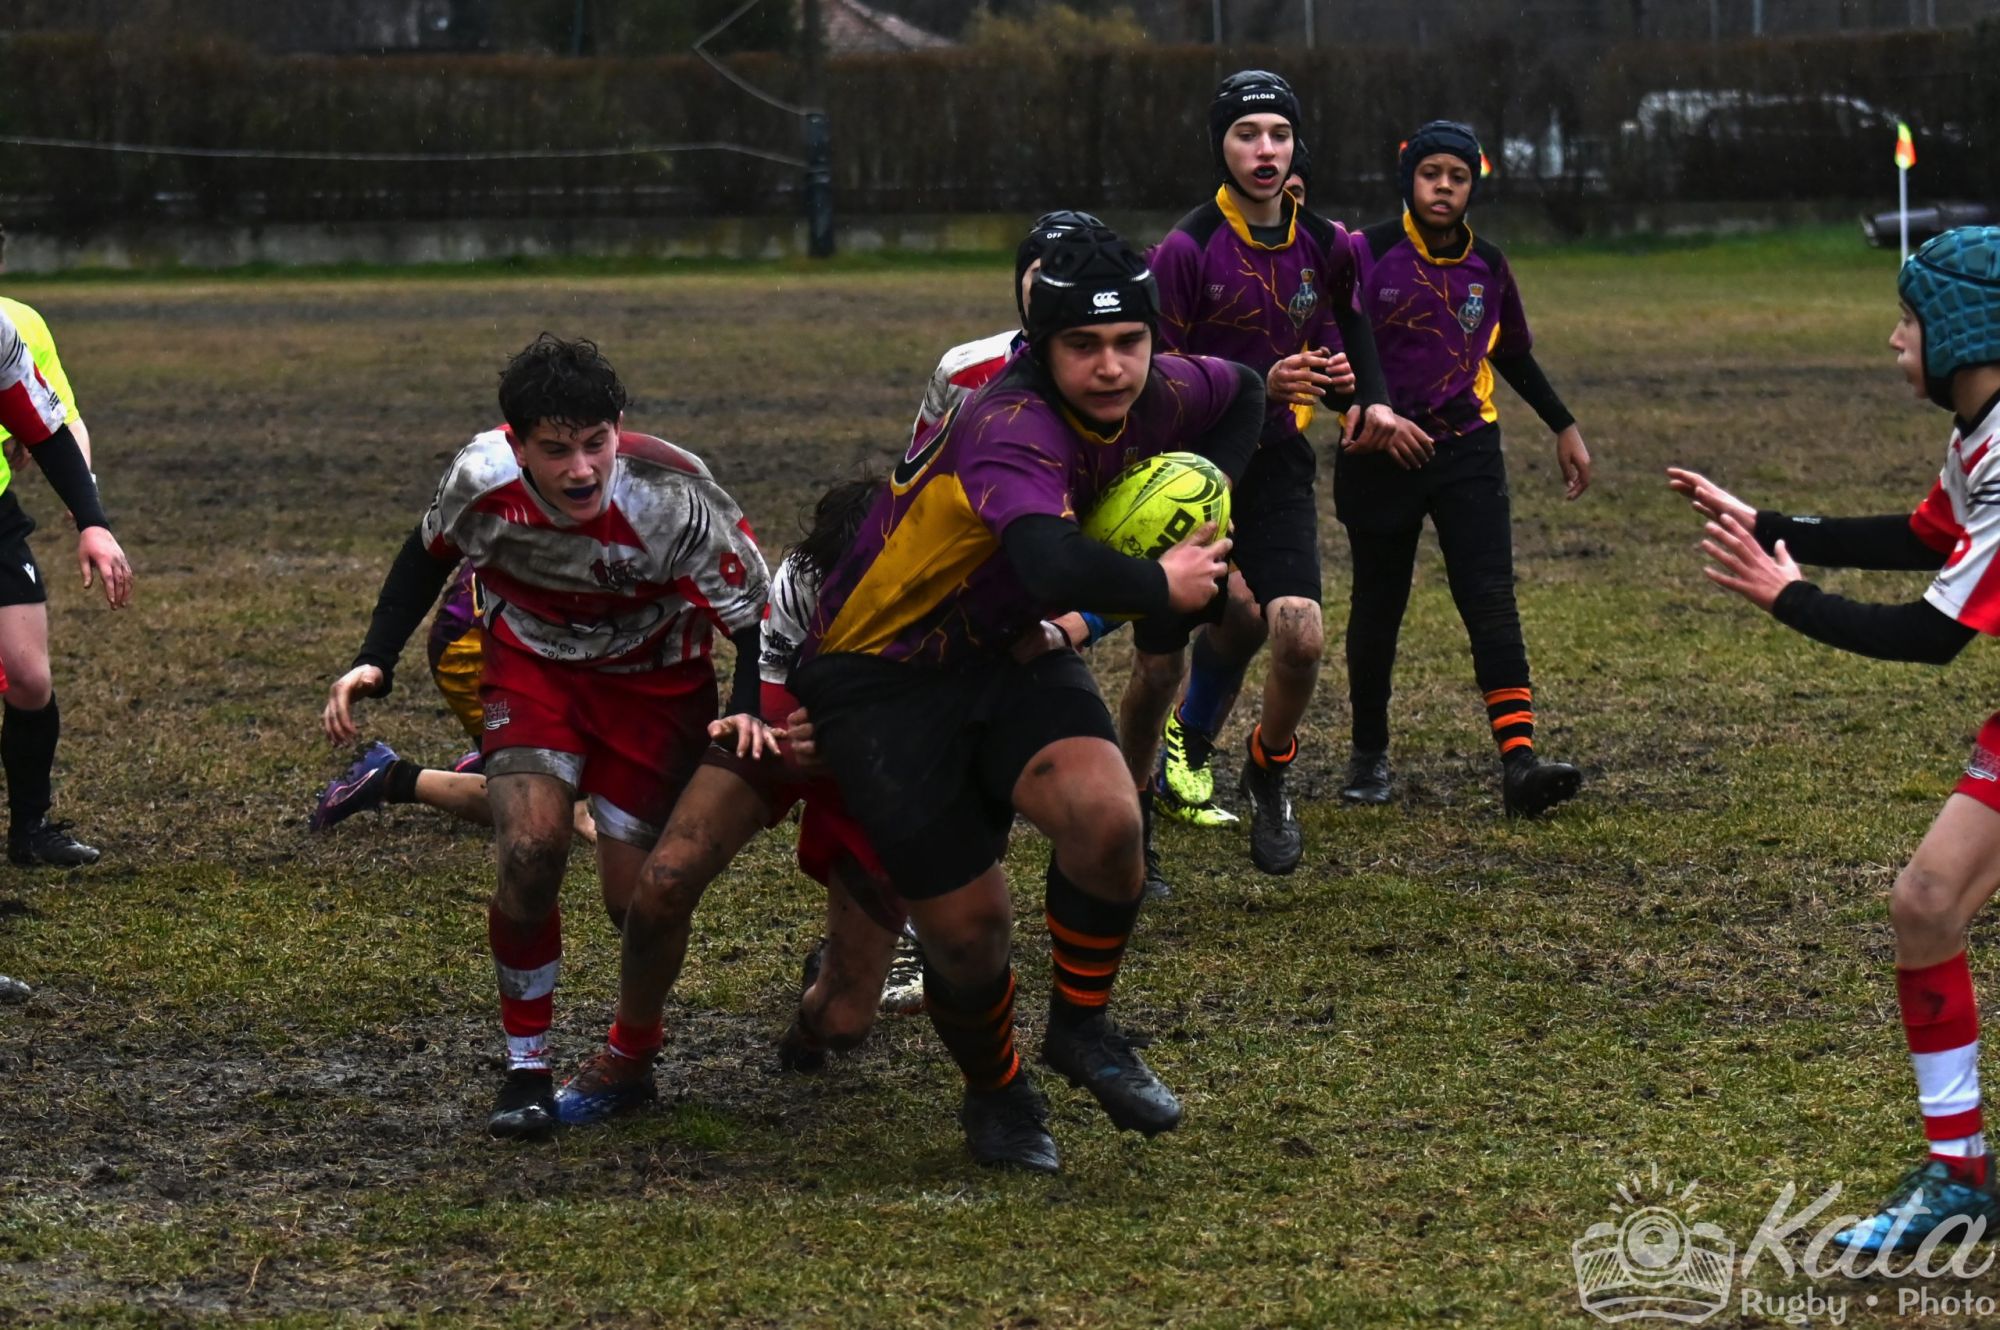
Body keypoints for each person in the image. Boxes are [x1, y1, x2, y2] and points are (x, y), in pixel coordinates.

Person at [790, 226, 1263, 1172]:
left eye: (1129, 341)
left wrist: (1205, 514)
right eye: (1082, 347)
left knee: (1108, 818)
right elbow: (1048, 559)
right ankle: (997, 1091)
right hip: (879, 673)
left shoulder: (1164, 387)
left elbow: (1247, 394)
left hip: (1007, 647)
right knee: (969, 940)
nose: (1111, 367)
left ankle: (1081, 1031)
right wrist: (1154, 582)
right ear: (1040, 349)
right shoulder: (1010, 426)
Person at [321, 334, 769, 1139]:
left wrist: (747, 707)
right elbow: (425, 556)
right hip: (536, 671)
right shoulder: (478, 480)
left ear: (619, 428)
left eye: (596, 444)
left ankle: (633, 1053)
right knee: (531, 848)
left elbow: (758, 622)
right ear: (515, 441)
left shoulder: (674, 496)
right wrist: (372, 659)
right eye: (556, 450)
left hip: (656, 691)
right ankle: (526, 1069)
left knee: (637, 905)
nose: (581, 470)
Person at [1668, 226, 2000, 1252]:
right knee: (1925, 902)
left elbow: (1926, 635)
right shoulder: (1978, 435)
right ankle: (1958, 1179)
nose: (1891, 339)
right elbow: (1922, 538)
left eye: (1906, 319)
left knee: (1927, 901)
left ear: (1956, 329)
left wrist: (1788, 596)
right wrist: (1774, 523)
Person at [550, 475, 921, 1126]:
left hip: (888, 776)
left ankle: (814, 1011)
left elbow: (964, 740)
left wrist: (863, 748)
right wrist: (776, 736)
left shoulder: (955, 591)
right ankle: (627, 1057)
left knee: (843, 1023)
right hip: (793, 736)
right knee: (659, 886)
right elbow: (771, 690)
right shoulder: (808, 574)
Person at [1139, 69, 1409, 884]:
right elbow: (1158, 376)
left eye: (1279, 135)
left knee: (1297, 633)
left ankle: (1269, 769)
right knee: (1166, 657)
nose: (1265, 150)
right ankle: (1135, 812)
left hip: (1280, 461)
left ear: (1297, 145)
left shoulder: (1326, 242)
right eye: (1247, 134)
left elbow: (1350, 322)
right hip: (1195, 466)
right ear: (1220, 146)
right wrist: (1264, 376)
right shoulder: (1186, 250)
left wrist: (1370, 403)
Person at [1336, 120, 1589, 817]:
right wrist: (1368, 418)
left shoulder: (1491, 266)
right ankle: (1368, 754)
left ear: (1473, 185)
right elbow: (1330, 345)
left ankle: (1520, 763)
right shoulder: (1365, 253)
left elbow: (1509, 353)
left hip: (1467, 449)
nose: (1443, 187)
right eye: (1430, 175)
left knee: (1489, 599)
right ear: (1407, 181)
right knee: (1378, 604)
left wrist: (1562, 423)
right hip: (1377, 454)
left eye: (1457, 176)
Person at [0, 225, 133, 865]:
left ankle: (30, 830)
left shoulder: (8, 329)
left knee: (27, 677)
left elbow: (52, 426)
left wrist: (92, 521)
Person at [309, 564, 598, 844]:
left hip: (529, 632)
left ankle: (499, 761)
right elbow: (427, 551)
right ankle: (386, 776)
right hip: (474, 641)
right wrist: (375, 658)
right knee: (544, 810)